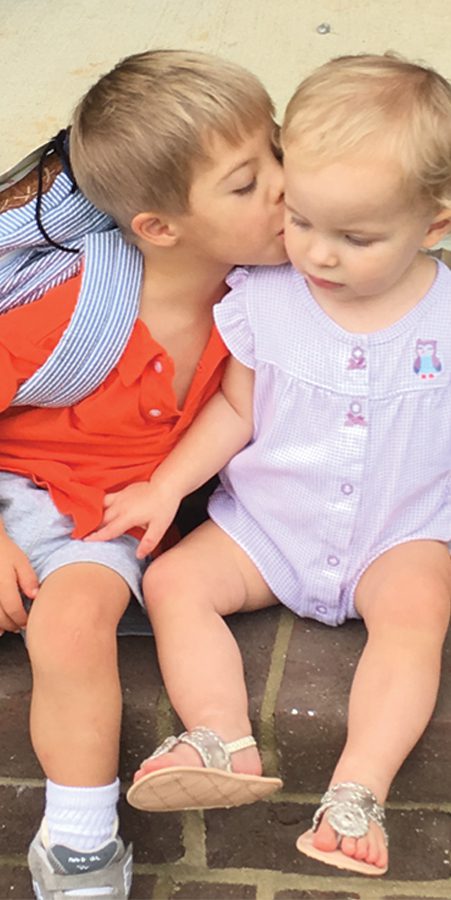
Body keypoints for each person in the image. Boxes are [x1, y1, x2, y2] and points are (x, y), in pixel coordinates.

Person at [89, 53, 451, 877]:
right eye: (302, 220)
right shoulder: (262, 296)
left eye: (355, 238)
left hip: (398, 533)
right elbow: (235, 410)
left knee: (418, 613)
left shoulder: (444, 318)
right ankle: (220, 738)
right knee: (177, 584)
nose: (318, 253)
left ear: (432, 225)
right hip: (269, 527)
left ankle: (356, 792)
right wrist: (167, 485)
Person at [0, 49, 286, 899]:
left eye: (275, 151)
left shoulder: (265, 291)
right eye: (245, 184)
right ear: (160, 227)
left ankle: (81, 848)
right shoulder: (72, 309)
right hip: (13, 480)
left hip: (102, 511)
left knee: (70, 625)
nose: (281, 185)